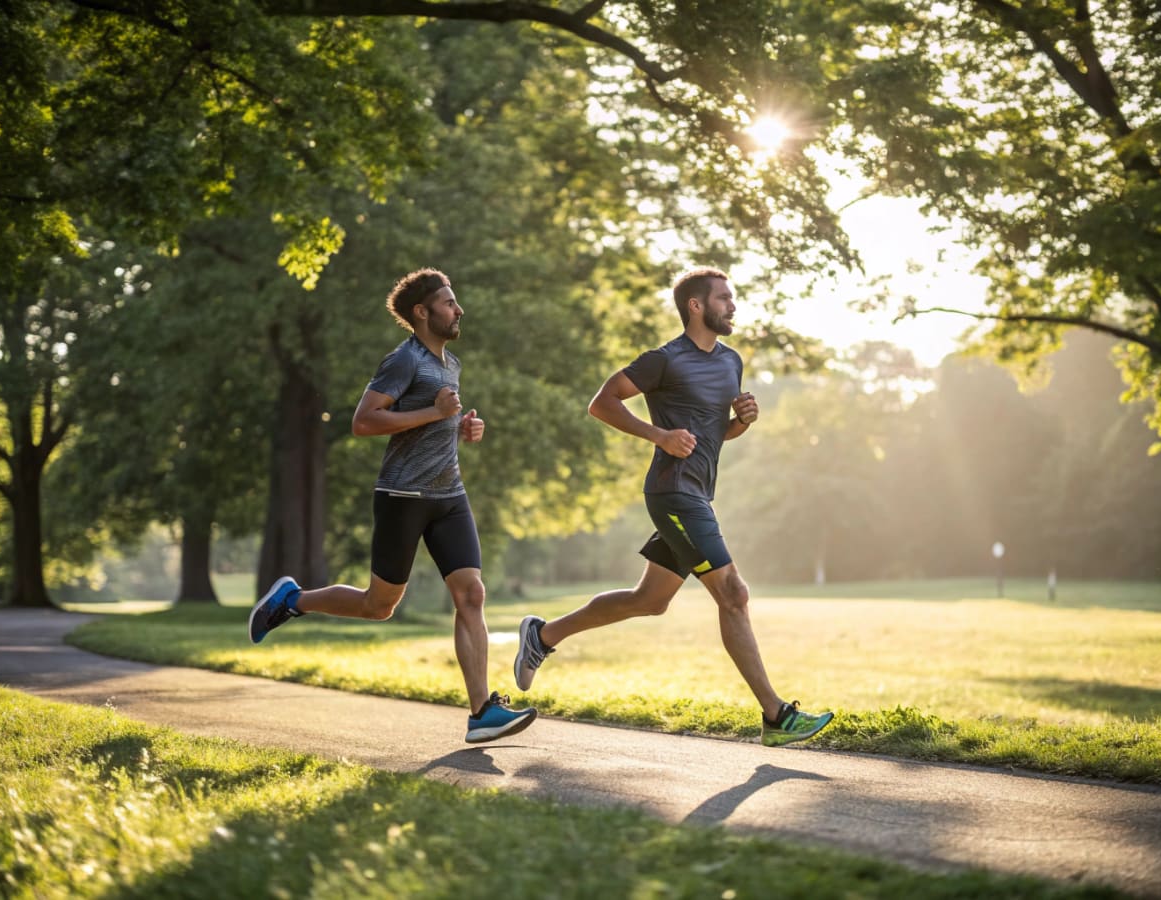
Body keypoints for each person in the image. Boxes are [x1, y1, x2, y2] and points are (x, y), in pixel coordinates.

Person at [512, 267, 833, 747]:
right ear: (696, 306)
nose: (733, 306)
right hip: (673, 492)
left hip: (698, 492)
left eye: (733, 298)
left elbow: (711, 434)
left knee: (650, 600)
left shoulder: (731, 362)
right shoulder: (664, 360)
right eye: (724, 298)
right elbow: (601, 403)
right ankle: (776, 716)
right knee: (734, 594)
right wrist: (657, 434)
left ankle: (542, 636)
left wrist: (741, 423)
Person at [250, 268, 536, 744]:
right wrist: (434, 413)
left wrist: (461, 428)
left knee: (472, 594)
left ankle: (482, 711)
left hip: (450, 496)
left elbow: (431, 424)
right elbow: (364, 422)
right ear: (422, 313)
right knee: (378, 606)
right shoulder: (403, 360)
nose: (458, 309)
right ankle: (293, 599)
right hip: (403, 496)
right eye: (448, 303)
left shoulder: (451, 364)